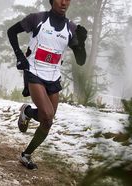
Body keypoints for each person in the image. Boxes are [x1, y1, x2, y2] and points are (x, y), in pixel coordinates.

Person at [7, 0, 87, 170]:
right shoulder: (37, 19)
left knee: (47, 121)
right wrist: (19, 55)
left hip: (53, 76)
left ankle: (26, 151)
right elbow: (11, 31)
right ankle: (27, 115)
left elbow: (81, 61)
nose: (64, 2)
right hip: (34, 71)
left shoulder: (71, 28)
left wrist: (82, 43)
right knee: (48, 114)